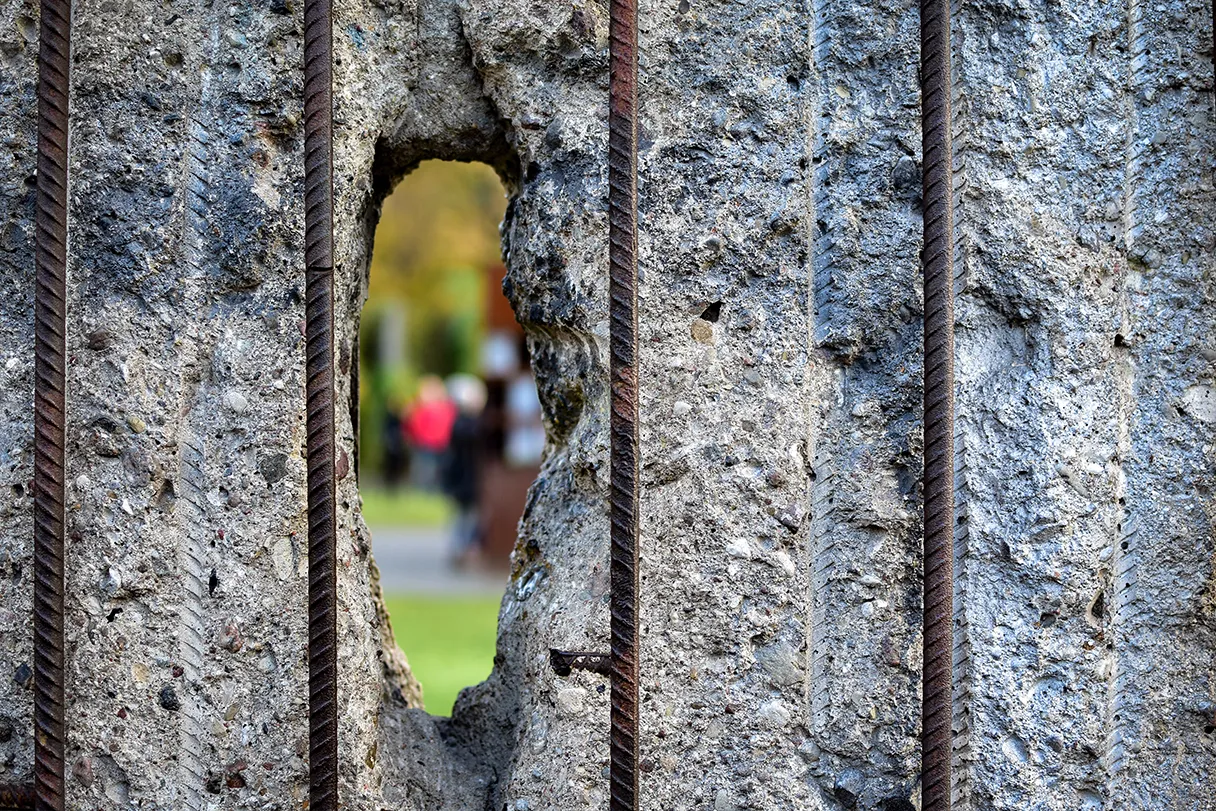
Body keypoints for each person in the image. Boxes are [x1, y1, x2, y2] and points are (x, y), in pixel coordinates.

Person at [442, 374, 486, 567]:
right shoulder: (466, 426)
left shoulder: (461, 424)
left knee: (465, 516)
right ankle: (464, 549)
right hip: (466, 480)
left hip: (464, 479)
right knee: (466, 517)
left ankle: (463, 549)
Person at [402, 375, 456, 490]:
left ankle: (433, 491)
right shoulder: (420, 408)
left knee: (438, 472)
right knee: (425, 472)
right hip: (425, 444)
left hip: (441, 445)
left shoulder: (445, 407)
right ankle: (424, 491)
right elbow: (412, 425)